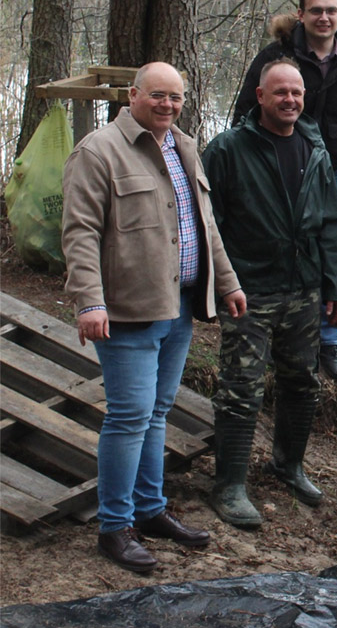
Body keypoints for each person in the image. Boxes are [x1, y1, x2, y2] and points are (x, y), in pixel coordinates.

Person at [60, 62, 248, 572]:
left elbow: (204, 227)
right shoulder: (98, 151)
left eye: (176, 98)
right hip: (127, 310)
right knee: (128, 417)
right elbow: (79, 233)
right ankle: (115, 527)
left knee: (156, 413)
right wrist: (89, 301)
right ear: (132, 95)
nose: (167, 105)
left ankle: (150, 509)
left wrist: (227, 283)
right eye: (158, 96)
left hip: (179, 306)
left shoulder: (183, 146)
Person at [202, 60, 337, 529]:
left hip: (303, 288)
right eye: (280, 92)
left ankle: (288, 464)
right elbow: (211, 223)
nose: (290, 100)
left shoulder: (315, 148)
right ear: (261, 96)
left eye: (297, 92)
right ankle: (228, 484)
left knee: (302, 382)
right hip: (249, 288)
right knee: (241, 387)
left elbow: (331, 223)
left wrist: (335, 287)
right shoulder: (229, 148)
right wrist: (221, 284)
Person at [230, 0, 337, 383]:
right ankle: (270, 329)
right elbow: (244, 112)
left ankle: (327, 339)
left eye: (331, 10)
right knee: (273, 243)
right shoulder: (276, 57)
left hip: (327, 170)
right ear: (301, 15)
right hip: (274, 167)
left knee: (330, 246)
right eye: (315, 10)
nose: (324, 18)